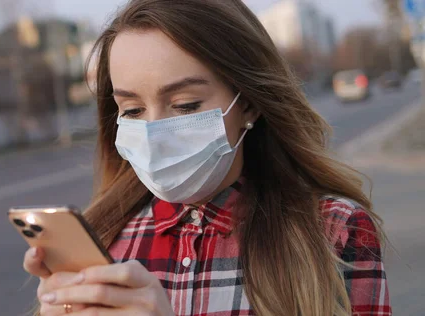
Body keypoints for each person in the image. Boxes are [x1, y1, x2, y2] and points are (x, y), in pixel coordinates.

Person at [23, 0, 391, 315]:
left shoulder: (333, 232)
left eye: (185, 105)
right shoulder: (104, 241)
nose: (154, 131)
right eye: (132, 110)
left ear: (247, 103)